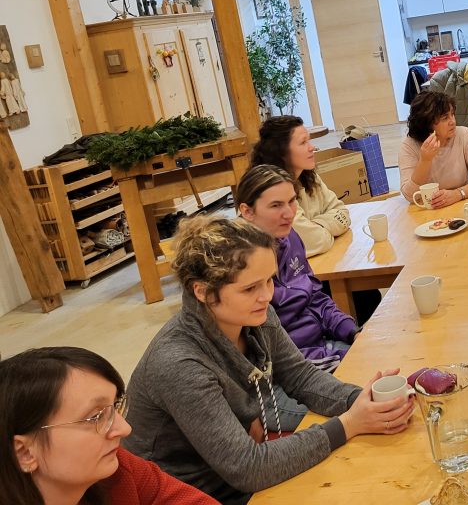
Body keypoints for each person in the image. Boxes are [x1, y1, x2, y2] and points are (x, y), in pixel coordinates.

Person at [123, 216, 414, 504]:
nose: (266, 296)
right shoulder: (179, 363)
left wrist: (363, 401)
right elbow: (248, 468)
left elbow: (301, 377)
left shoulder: (254, 315)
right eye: (249, 288)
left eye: (269, 281)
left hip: (231, 475)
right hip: (192, 494)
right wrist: (349, 424)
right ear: (202, 291)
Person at [1, 346, 215, 505]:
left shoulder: (115, 469)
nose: (124, 429)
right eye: (96, 416)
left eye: (115, 406)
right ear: (25, 452)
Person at [237, 165, 358, 371]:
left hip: (321, 347)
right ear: (247, 211)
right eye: (276, 205)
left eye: (292, 201)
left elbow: (315, 296)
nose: (289, 213)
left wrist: (351, 331)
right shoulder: (239, 262)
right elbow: (272, 354)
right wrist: (343, 358)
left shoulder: (289, 236)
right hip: (290, 369)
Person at [251, 116, 350, 258]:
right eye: (303, 142)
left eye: (309, 141)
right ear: (281, 152)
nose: (312, 147)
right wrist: (326, 227)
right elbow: (318, 241)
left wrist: (316, 225)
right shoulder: (272, 190)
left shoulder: (308, 176)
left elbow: (342, 213)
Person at [398, 90, 468, 206]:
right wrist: (425, 160)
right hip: (429, 209)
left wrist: (458, 194)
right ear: (426, 123)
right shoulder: (409, 146)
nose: (453, 121)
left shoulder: (464, 135)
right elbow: (410, 195)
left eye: (452, 114)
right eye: (445, 118)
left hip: (464, 203)